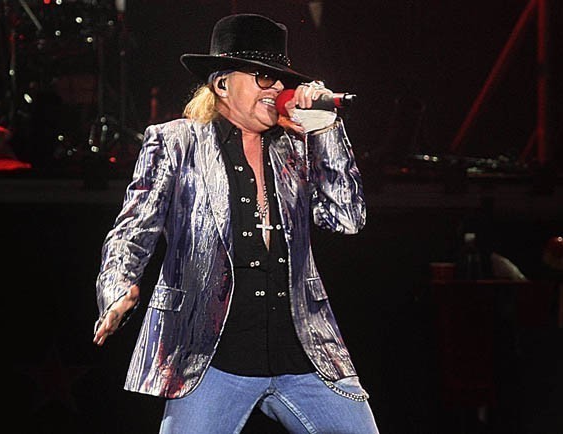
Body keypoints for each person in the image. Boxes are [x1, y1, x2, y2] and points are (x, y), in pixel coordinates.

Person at [93, 13, 379, 434]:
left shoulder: (297, 146)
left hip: (304, 352)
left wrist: (327, 131)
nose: (277, 88)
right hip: (209, 356)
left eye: (281, 79)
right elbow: (133, 231)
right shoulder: (176, 142)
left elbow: (347, 219)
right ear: (222, 84)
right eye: (263, 76)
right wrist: (118, 287)